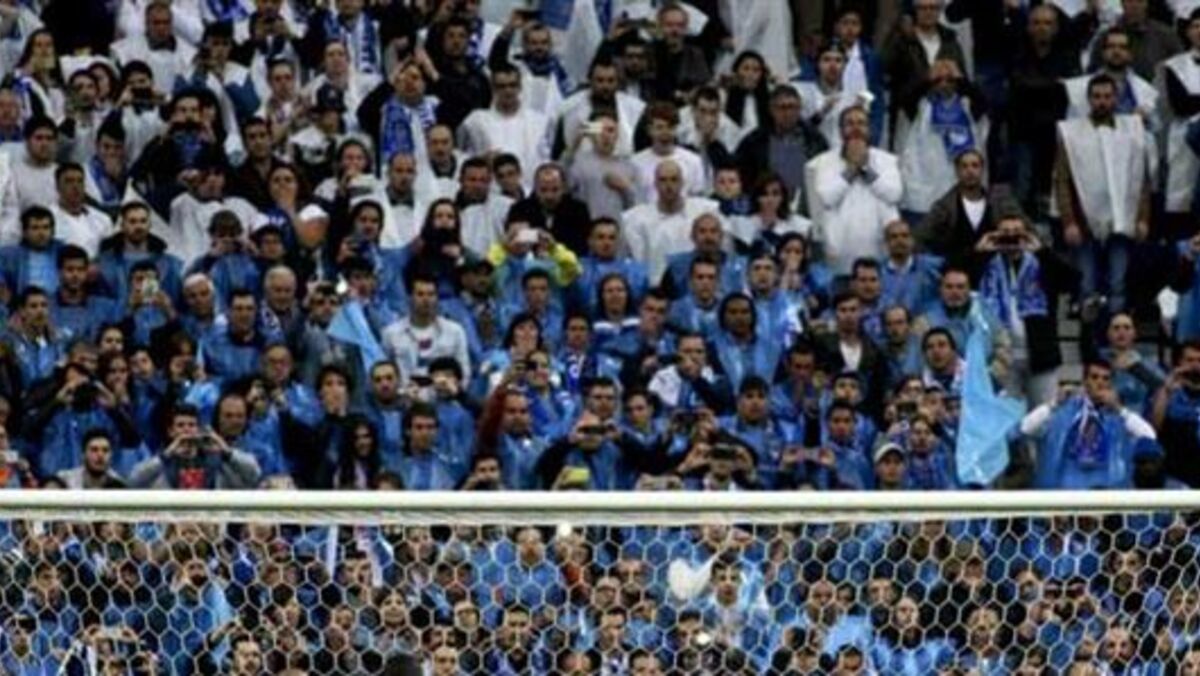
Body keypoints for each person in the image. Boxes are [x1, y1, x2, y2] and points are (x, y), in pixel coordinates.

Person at [1055, 73, 1152, 314]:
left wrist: (1142, 218)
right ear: (1088, 99)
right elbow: (1062, 181)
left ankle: (1115, 333)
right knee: (1087, 285)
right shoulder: (1071, 133)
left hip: (1122, 219)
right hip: (1084, 221)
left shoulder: (1132, 131)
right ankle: (1091, 336)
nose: (1102, 102)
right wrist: (1068, 221)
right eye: (1097, 96)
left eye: (1107, 96)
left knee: (1118, 284)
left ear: (1116, 99)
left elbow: (1141, 179)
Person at [1022, 361, 1156, 489]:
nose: (1100, 382)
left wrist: (1120, 410)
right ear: (1085, 381)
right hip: (1066, 491)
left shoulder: (1121, 417)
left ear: (1111, 384)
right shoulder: (1064, 411)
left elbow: (1149, 436)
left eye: (1105, 378)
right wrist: (1053, 404)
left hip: (1108, 491)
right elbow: (1025, 428)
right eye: (1094, 377)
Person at [809, 106, 902, 276]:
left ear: (869, 129)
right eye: (849, 123)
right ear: (840, 130)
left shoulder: (888, 160)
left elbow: (894, 194)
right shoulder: (821, 162)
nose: (856, 128)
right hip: (838, 255)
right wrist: (851, 170)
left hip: (879, 253)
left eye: (861, 123)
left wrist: (865, 169)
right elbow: (826, 197)